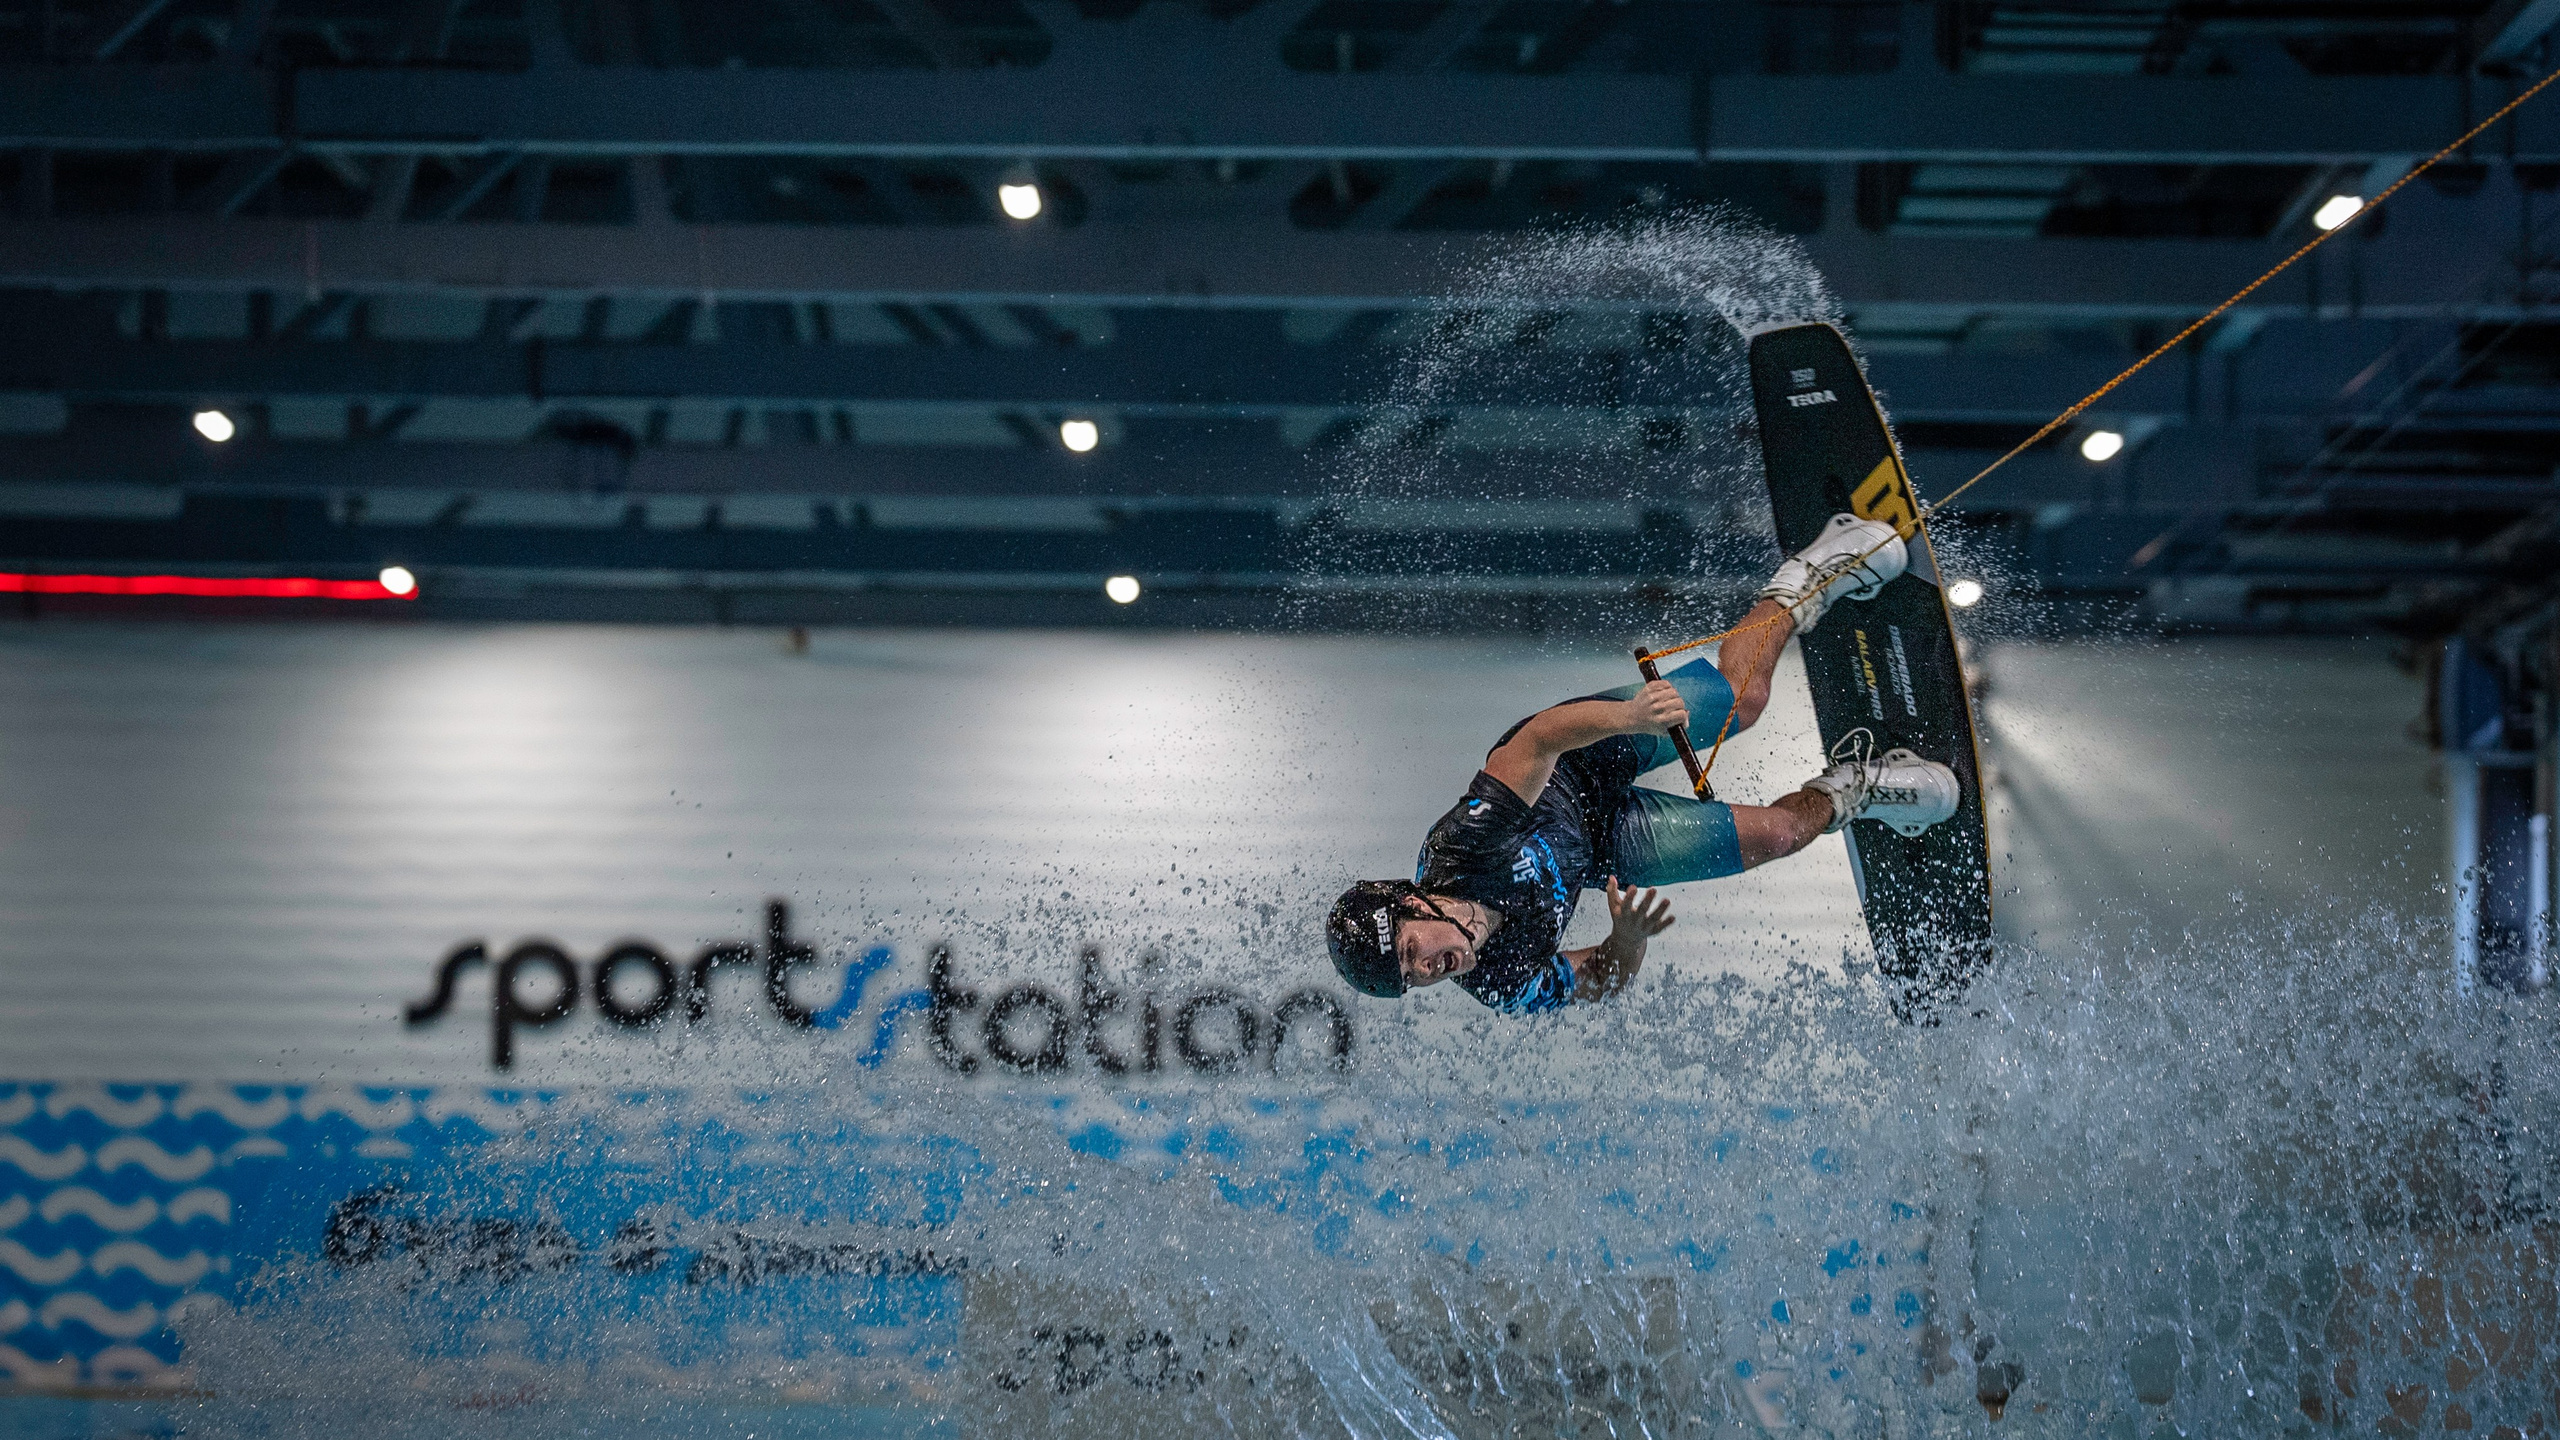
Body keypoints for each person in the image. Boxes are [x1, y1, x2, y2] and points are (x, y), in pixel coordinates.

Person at [1326, 513, 1962, 1014]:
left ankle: (1815, 571)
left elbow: (1537, 742)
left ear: (1416, 904)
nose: (1426, 970)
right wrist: (1626, 938)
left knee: (1745, 702)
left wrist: (1632, 718)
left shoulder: (1463, 848)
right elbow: (1602, 981)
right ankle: (1858, 784)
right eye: (1410, 978)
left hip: (1578, 759)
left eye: (1411, 950)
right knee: (1781, 835)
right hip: (1604, 847)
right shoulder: (1498, 981)